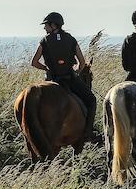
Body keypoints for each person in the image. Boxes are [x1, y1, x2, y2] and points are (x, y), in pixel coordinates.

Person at [30, 12, 99, 141]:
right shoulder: (71, 39)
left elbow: (34, 62)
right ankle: (88, 132)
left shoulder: (44, 41)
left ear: (53, 25)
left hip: (52, 80)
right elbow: (82, 62)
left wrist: (46, 68)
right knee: (91, 100)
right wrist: (76, 72)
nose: (44, 28)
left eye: (46, 25)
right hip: (70, 79)